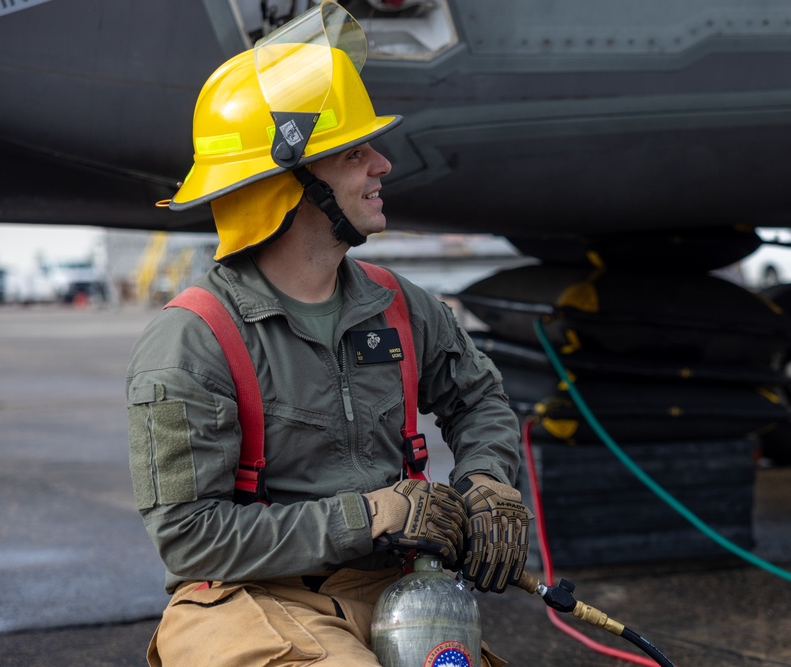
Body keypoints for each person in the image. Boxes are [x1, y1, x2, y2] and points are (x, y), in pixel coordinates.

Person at [125, 4, 531, 665]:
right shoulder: (192, 342)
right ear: (288, 184)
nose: (383, 165)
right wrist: (373, 514)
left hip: (390, 587)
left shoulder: (400, 306)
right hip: (245, 597)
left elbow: (478, 396)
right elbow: (192, 538)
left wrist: (489, 481)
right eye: (353, 152)